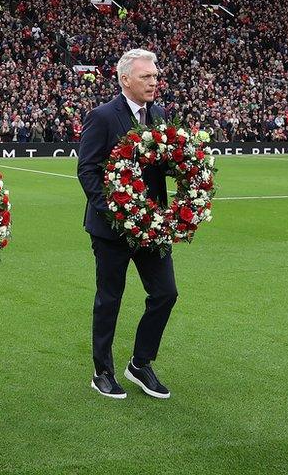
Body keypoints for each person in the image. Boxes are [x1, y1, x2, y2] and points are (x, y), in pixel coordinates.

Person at [77, 48, 177, 400]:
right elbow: (87, 170)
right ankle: (101, 372)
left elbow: (162, 162)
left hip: (152, 225)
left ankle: (140, 363)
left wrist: (187, 163)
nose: (154, 82)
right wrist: (115, 212)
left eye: (155, 76)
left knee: (166, 293)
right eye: (147, 77)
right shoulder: (102, 117)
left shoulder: (160, 114)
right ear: (125, 80)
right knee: (110, 299)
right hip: (111, 229)